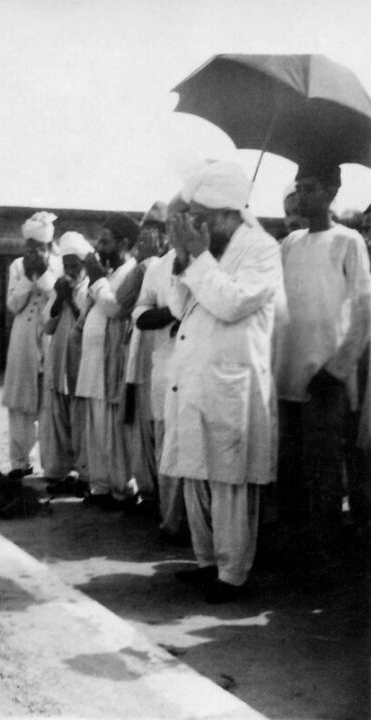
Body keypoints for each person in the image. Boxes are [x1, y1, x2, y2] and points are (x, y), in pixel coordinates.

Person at [161, 161, 285, 603]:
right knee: (195, 472)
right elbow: (180, 307)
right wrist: (183, 259)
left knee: (229, 479)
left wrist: (197, 258)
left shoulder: (262, 249)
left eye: (201, 215)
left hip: (233, 381)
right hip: (196, 378)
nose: (195, 223)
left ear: (225, 213)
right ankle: (206, 561)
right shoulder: (206, 248)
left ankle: (233, 574)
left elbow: (232, 304)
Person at [274, 161, 371, 554]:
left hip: (326, 379)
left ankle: (324, 551)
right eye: (299, 188)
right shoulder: (288, 245)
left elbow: (364, 310)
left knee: (325, 468)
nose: (302, 196)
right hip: (287, 376)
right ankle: (294, 545)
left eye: (311, 187)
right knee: (290, 466)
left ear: (332, 192)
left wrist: (337, 368)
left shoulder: (349, 241)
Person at [132, 194, 189, 541]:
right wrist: (171, 314)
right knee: (166, 449)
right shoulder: (157, 267)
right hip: (165, 371)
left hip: (200, 374)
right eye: (172, 223)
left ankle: (201, 533)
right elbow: (140, 312)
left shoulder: (214, 262)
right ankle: (171, 523)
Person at [75, 214, 138, 506]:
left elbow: (114, 308)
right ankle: (99, 486)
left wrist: (97, 278)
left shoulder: (131, 272)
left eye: (105, 241)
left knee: (111, 428)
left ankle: (119, 489)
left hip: (111, 362)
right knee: (94, 425)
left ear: (124, 243)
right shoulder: (106, 272)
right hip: (92, 361)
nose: (99, 246)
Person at [115, 201, 169, 504]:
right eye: (145, 230)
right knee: (139, 424)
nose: (147, 238)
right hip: (137, 351)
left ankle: (159, 495)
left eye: (155, 231)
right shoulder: (143, 268)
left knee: (155, 422)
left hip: (159, 354)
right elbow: (123, 303)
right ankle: (149, 492)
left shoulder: (166, 266)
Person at [1, 211, 61, 475]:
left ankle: (52, 466)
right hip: (23, 338)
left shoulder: (60, 265)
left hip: (50, 336)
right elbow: (13, 304)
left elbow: (57, 298)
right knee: (20, 400)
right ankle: (20, 462)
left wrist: (44, 273)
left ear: (48, 245)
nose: (33, 251)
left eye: (38, 246)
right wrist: (27, 276)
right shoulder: (16, 266)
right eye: (30, 246)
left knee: (50, 402)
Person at [40, 231, 94, 493]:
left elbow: (85, 322)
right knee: (59, 417)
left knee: (80, 419)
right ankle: (59, 472)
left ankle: (84, 476)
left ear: (84, 266)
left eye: (76, 266)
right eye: (68, 265)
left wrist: (70, 298)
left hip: (81, 361)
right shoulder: (59, 287)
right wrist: (60, 297)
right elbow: (47, 326)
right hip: (59, 360)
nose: (71, 270)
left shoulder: (90, 289)